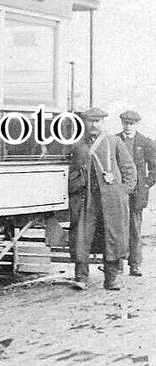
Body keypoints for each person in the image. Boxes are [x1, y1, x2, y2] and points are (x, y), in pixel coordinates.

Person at [68, 107, 136, 290]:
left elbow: (129, 169)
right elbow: (71, 171)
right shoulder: (78, 145)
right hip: (86, 200)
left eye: (97, 121)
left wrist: (123, 192)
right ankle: (81, 278)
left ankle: (111, 279)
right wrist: (77, 184)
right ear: (84, 123)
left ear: (103, 123)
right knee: (82, 236)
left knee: (112, 237)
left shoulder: (114, 142)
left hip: (111, 201)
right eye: (90, 121)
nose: (94, 124)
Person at [116, 110, 156, 276]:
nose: (128, 126)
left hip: (137, 192)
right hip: (119, 191)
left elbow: (154, 167)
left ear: (136, 124)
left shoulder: (145, 142)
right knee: (116, 228)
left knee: (135, 228)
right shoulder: (115, 140)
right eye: (125, 123)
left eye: (131, 123)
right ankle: (116, 265)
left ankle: (135, 265)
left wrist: (147, 183)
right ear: (122, 123)